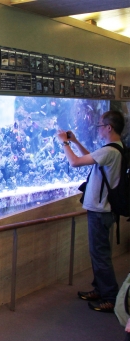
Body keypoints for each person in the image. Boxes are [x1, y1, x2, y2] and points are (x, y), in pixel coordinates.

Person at [56, 110, 126, 313]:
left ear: (109, 127)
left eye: (100, 125)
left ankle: (110, 297)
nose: (99, 128)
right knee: (98, 253)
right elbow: (89, 157)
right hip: (102, 210)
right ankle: (100, 289)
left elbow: (75, 162)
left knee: (100, 255)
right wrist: (76, 141)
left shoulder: (110, 151)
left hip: (100, 211)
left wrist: (65, 143)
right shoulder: (114, 149)